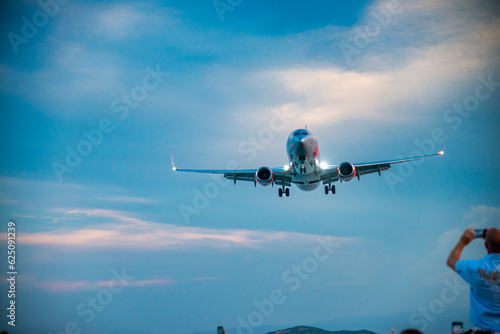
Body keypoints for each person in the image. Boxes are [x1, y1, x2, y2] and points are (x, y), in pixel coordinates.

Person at [447, 227, 500, 333]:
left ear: (485, 245)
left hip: (481, 331)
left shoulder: (474, 268)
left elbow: (451, 261)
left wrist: (462, 242)